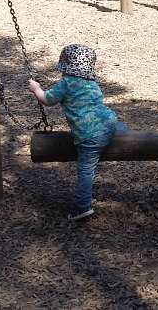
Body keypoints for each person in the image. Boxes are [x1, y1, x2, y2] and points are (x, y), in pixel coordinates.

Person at [28, 44, 129, 222]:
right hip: (109, 122)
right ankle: (132, 137)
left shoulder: (65, 83)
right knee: (112, 126)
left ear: (65, 68)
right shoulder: (91, 83)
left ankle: (82, 207)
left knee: (85, 169)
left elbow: (47, 99)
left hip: (89, 135)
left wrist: (36, 89)